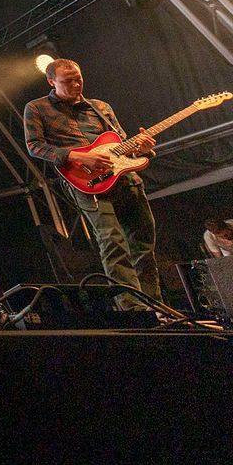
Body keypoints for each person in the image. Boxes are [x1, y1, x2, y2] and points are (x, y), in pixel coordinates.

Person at [23, 58, 158, 308]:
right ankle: (133, 308)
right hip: (87, 183)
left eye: (78, 79)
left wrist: (143, 149)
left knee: (143, 244)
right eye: (67, 81)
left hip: (125, 179)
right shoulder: (37, 108)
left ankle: (155, 305)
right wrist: (77, 156)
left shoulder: (101, 107)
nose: (75, 85)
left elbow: (122, 144)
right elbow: (34, 146)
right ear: (51, 81)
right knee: (112, 241)